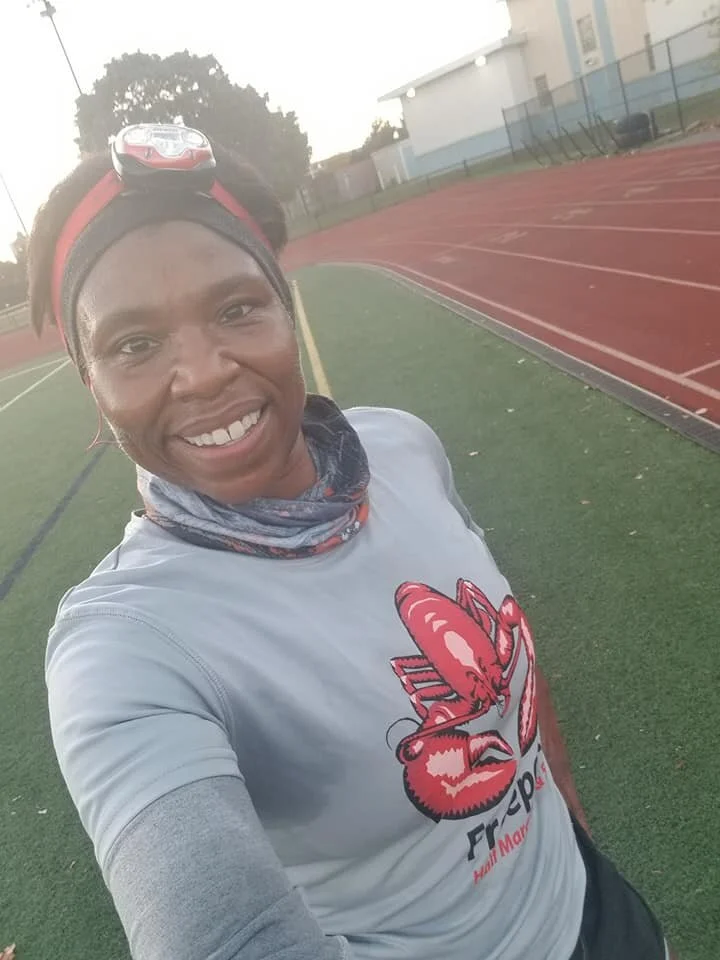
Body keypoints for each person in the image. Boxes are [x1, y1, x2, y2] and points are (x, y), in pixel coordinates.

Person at [30, 124, 675, 960]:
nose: (205, 372)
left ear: (284, 308)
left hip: (601, 914)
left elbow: (504, 640)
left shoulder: (402, 447)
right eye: (135, 345)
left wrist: (572, 826)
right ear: (92, 382)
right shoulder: (124, 646)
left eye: (237, 307)